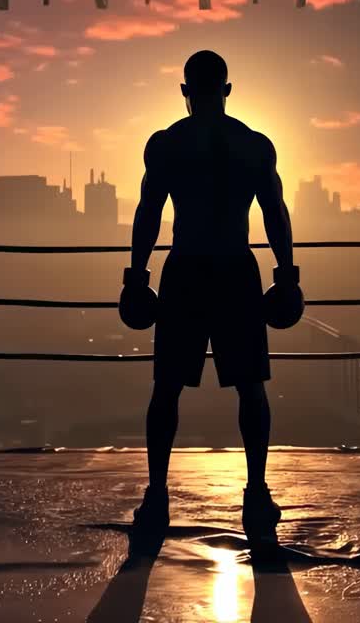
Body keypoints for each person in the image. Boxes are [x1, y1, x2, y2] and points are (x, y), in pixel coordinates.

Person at [118, 50, 300, 544]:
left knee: (167, 387)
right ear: (227, 89)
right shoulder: (254, 145)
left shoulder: (167, 145)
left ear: (183, 91)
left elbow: (149, 213)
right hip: (237, 269)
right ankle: (257, 494)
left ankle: (157, 495)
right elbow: (275, 214)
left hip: (186, 269)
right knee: (250, 387)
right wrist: (287, 274)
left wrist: (136, 276)